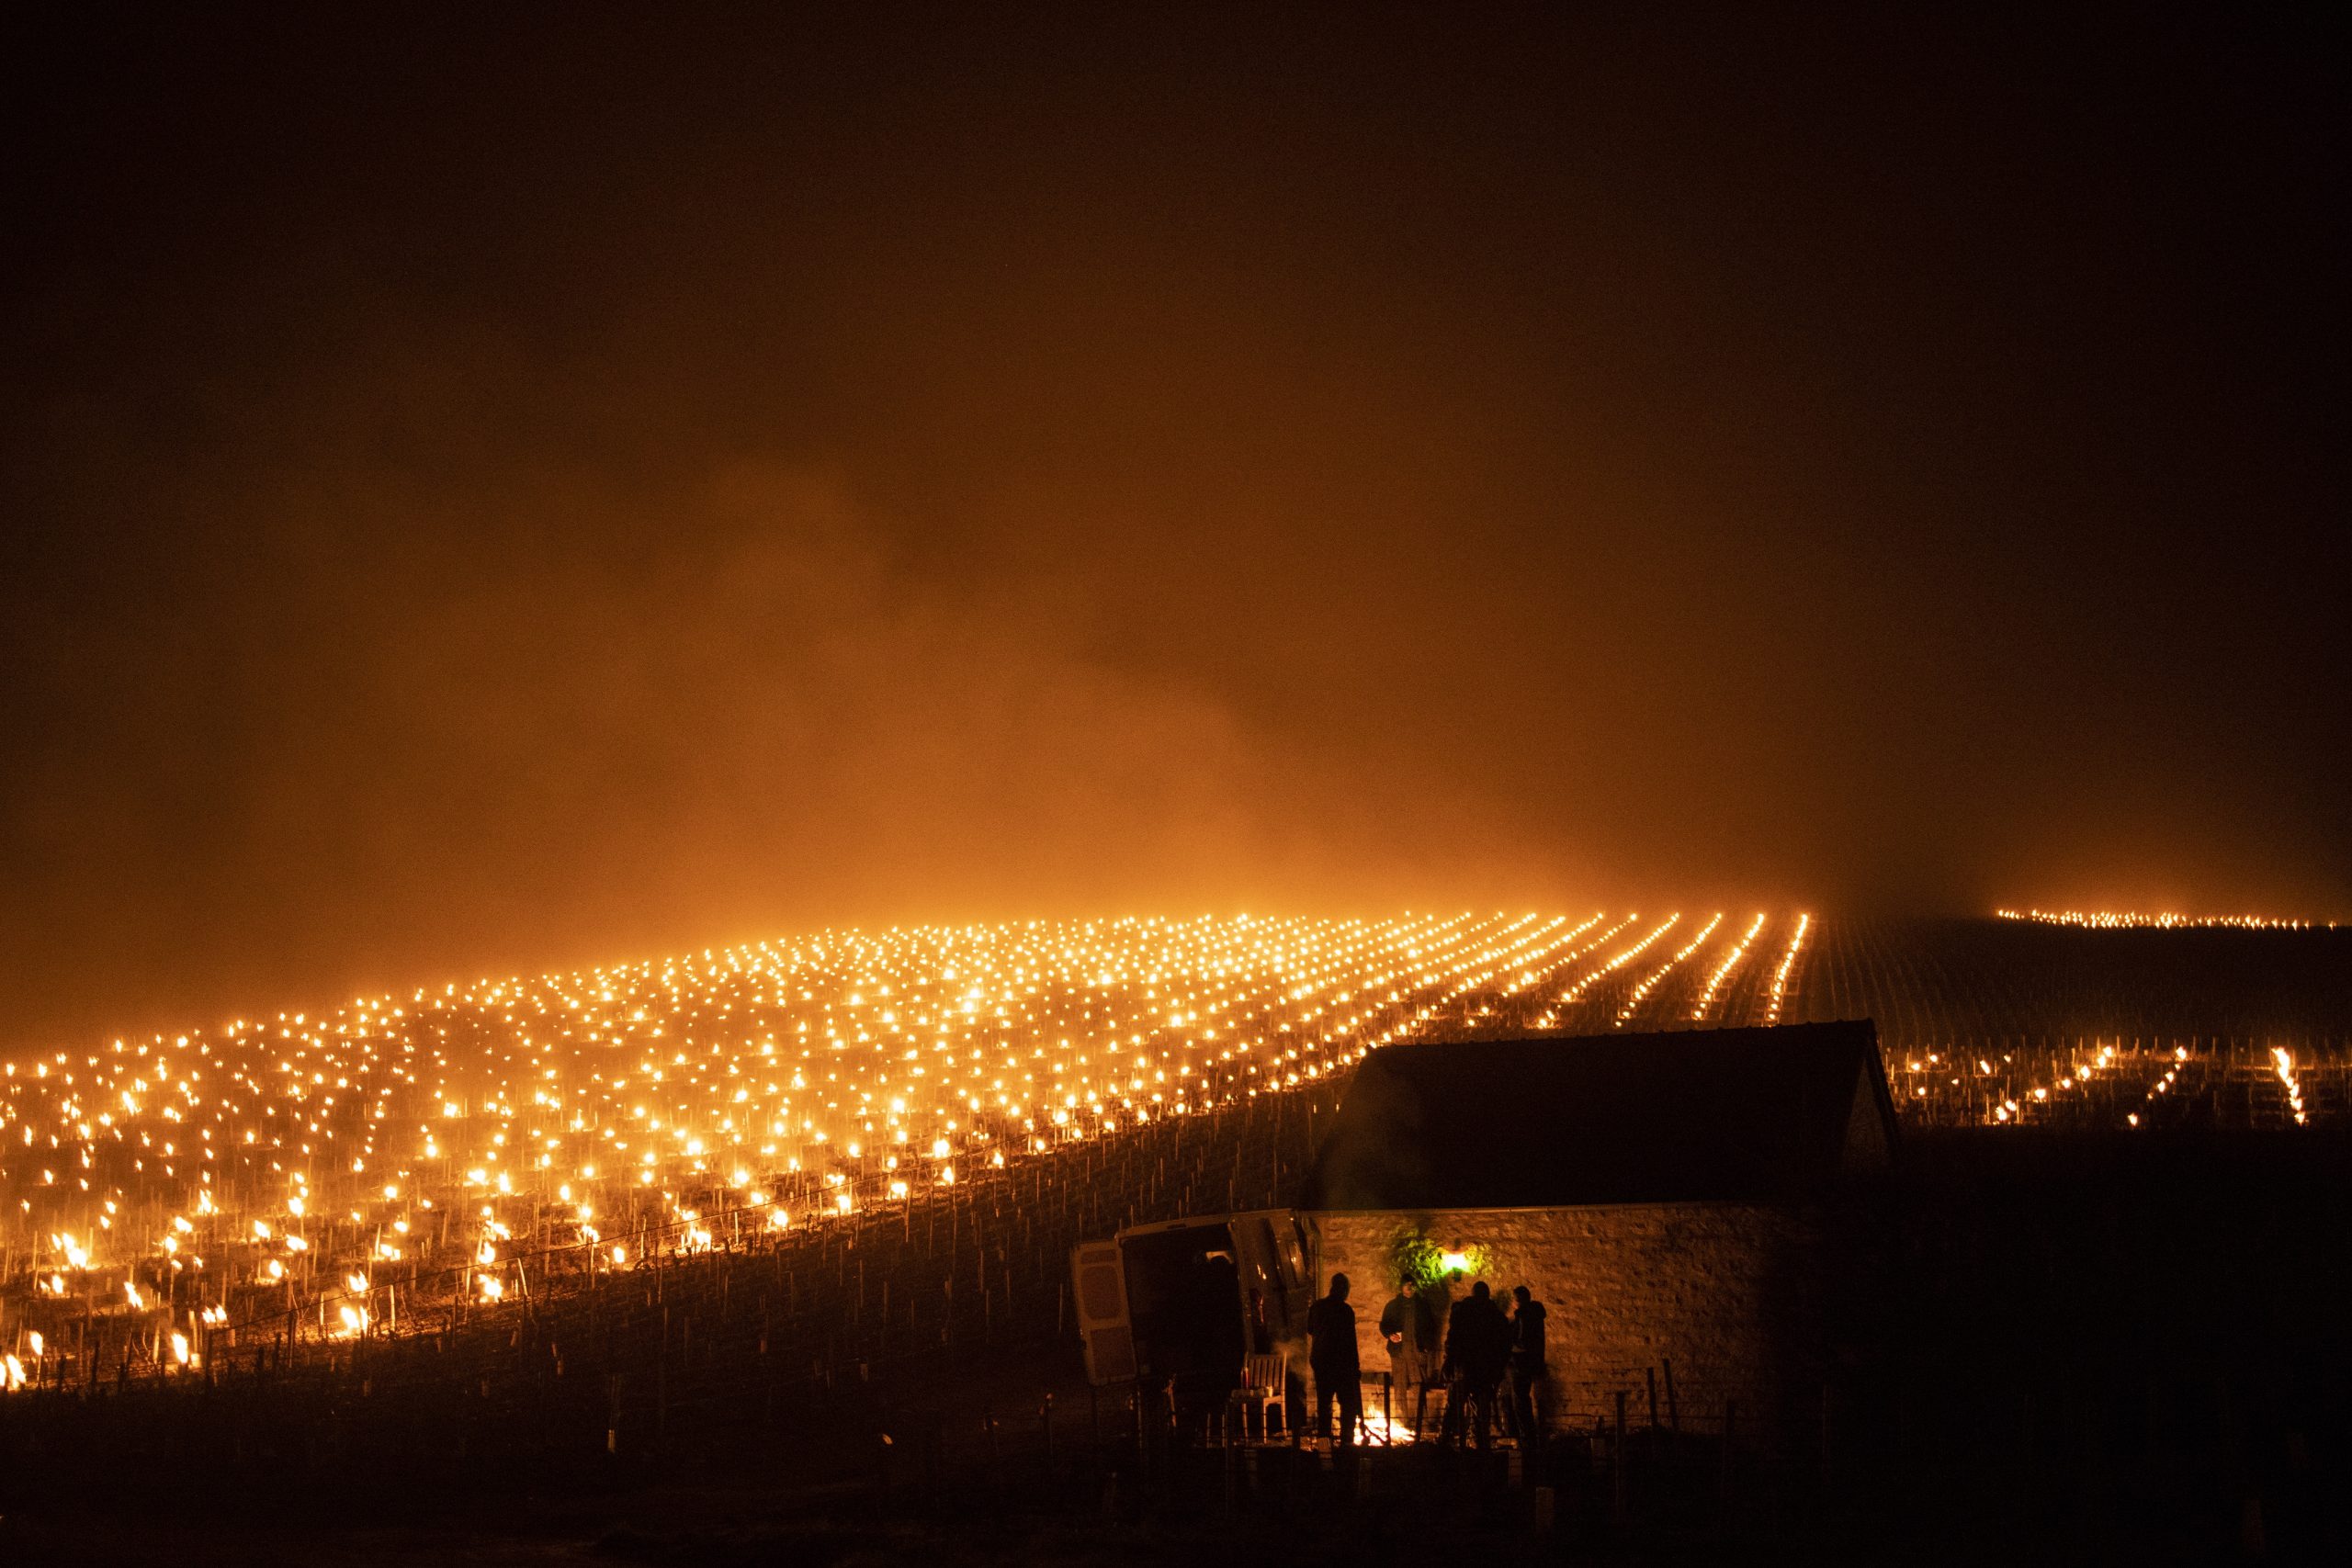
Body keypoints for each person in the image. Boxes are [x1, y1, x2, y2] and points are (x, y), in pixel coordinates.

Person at [1441, 1280, 1510, 1450]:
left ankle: (1445, 1441)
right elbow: (1503, 1346)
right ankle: (1481, 1443)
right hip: (1485, 1369)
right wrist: (1498, 1369)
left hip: (1464, 1366)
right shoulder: (1496, 1316)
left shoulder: (1462, 1312)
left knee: (1455, 1405)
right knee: (1482, 1409)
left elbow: (1453, 1339)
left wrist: (1449, 1361)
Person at [1306, 1271, 1362, 1447]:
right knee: (1347, 1403)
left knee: (1324, 1404)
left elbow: (1310, 1329)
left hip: (1321, 1362)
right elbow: (1351, 1341)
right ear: (1343, 1289)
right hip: (1341, 1364)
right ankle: (1347, 1441)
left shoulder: (1317, 1307)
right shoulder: (1346, 1311)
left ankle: (1324, 1443)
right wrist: (1355, 1367)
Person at [1377, 1279, 1437, 1425]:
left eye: (1412, 1284)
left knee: (1419, 1386)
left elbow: (1431, 1328)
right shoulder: (1393, 1306)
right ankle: (1401, 1421)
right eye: (1406, 1284)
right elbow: (1384, 1325)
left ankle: (1421, 1422)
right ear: (1401, 1287)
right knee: (1399, 1386)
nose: (1409, 1287)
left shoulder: (1423, 1306)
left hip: (1417, 1352)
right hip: (1398, 1352)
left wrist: (1425, 1348)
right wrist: (1390, 1334)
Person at [1507, 1284, 1548, 1449]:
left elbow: (1522, 1343)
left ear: (1517, 1301)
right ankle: (1533, 1437)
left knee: (1520, 1401)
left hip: (1521, 1364)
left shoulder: (1523, 1316)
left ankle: (1527, 1439)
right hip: (1534, 1363)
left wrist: (1508, 1346)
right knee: (1530, 1399)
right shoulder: (1536, 1315)